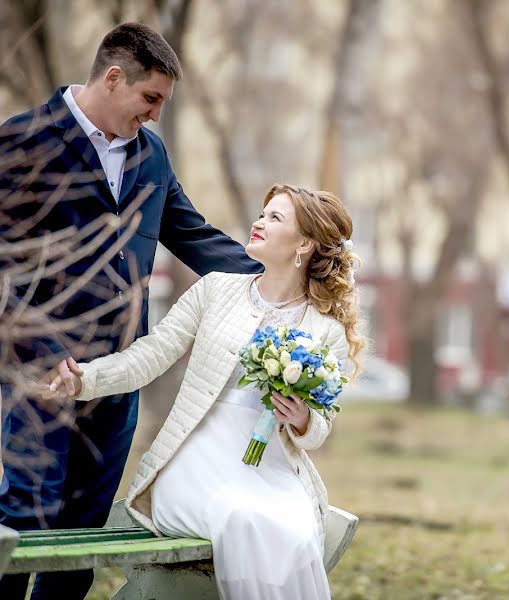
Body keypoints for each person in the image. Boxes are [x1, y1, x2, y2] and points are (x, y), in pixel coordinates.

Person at [0, 23, 261, 598]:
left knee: (85, 533)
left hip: (120, 377)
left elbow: (191, 234)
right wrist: (45, 353)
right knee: (26, 521)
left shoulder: (152, 154)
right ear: (114, 77)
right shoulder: (22, 142)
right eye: (151, 99)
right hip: (42, 376)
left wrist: (278, 277)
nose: (156, 115)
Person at [52, 184, 364, 599]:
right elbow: (151, 354)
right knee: (239, 518)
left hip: (271, 467)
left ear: (304, 242)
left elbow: (322, 425)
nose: (258, 223)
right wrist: (86, 378)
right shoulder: (217, 288)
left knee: (297, 529)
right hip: (194, 457)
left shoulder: (326, 327)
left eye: (275, 218)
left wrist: (303, 418)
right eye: (262, 212)